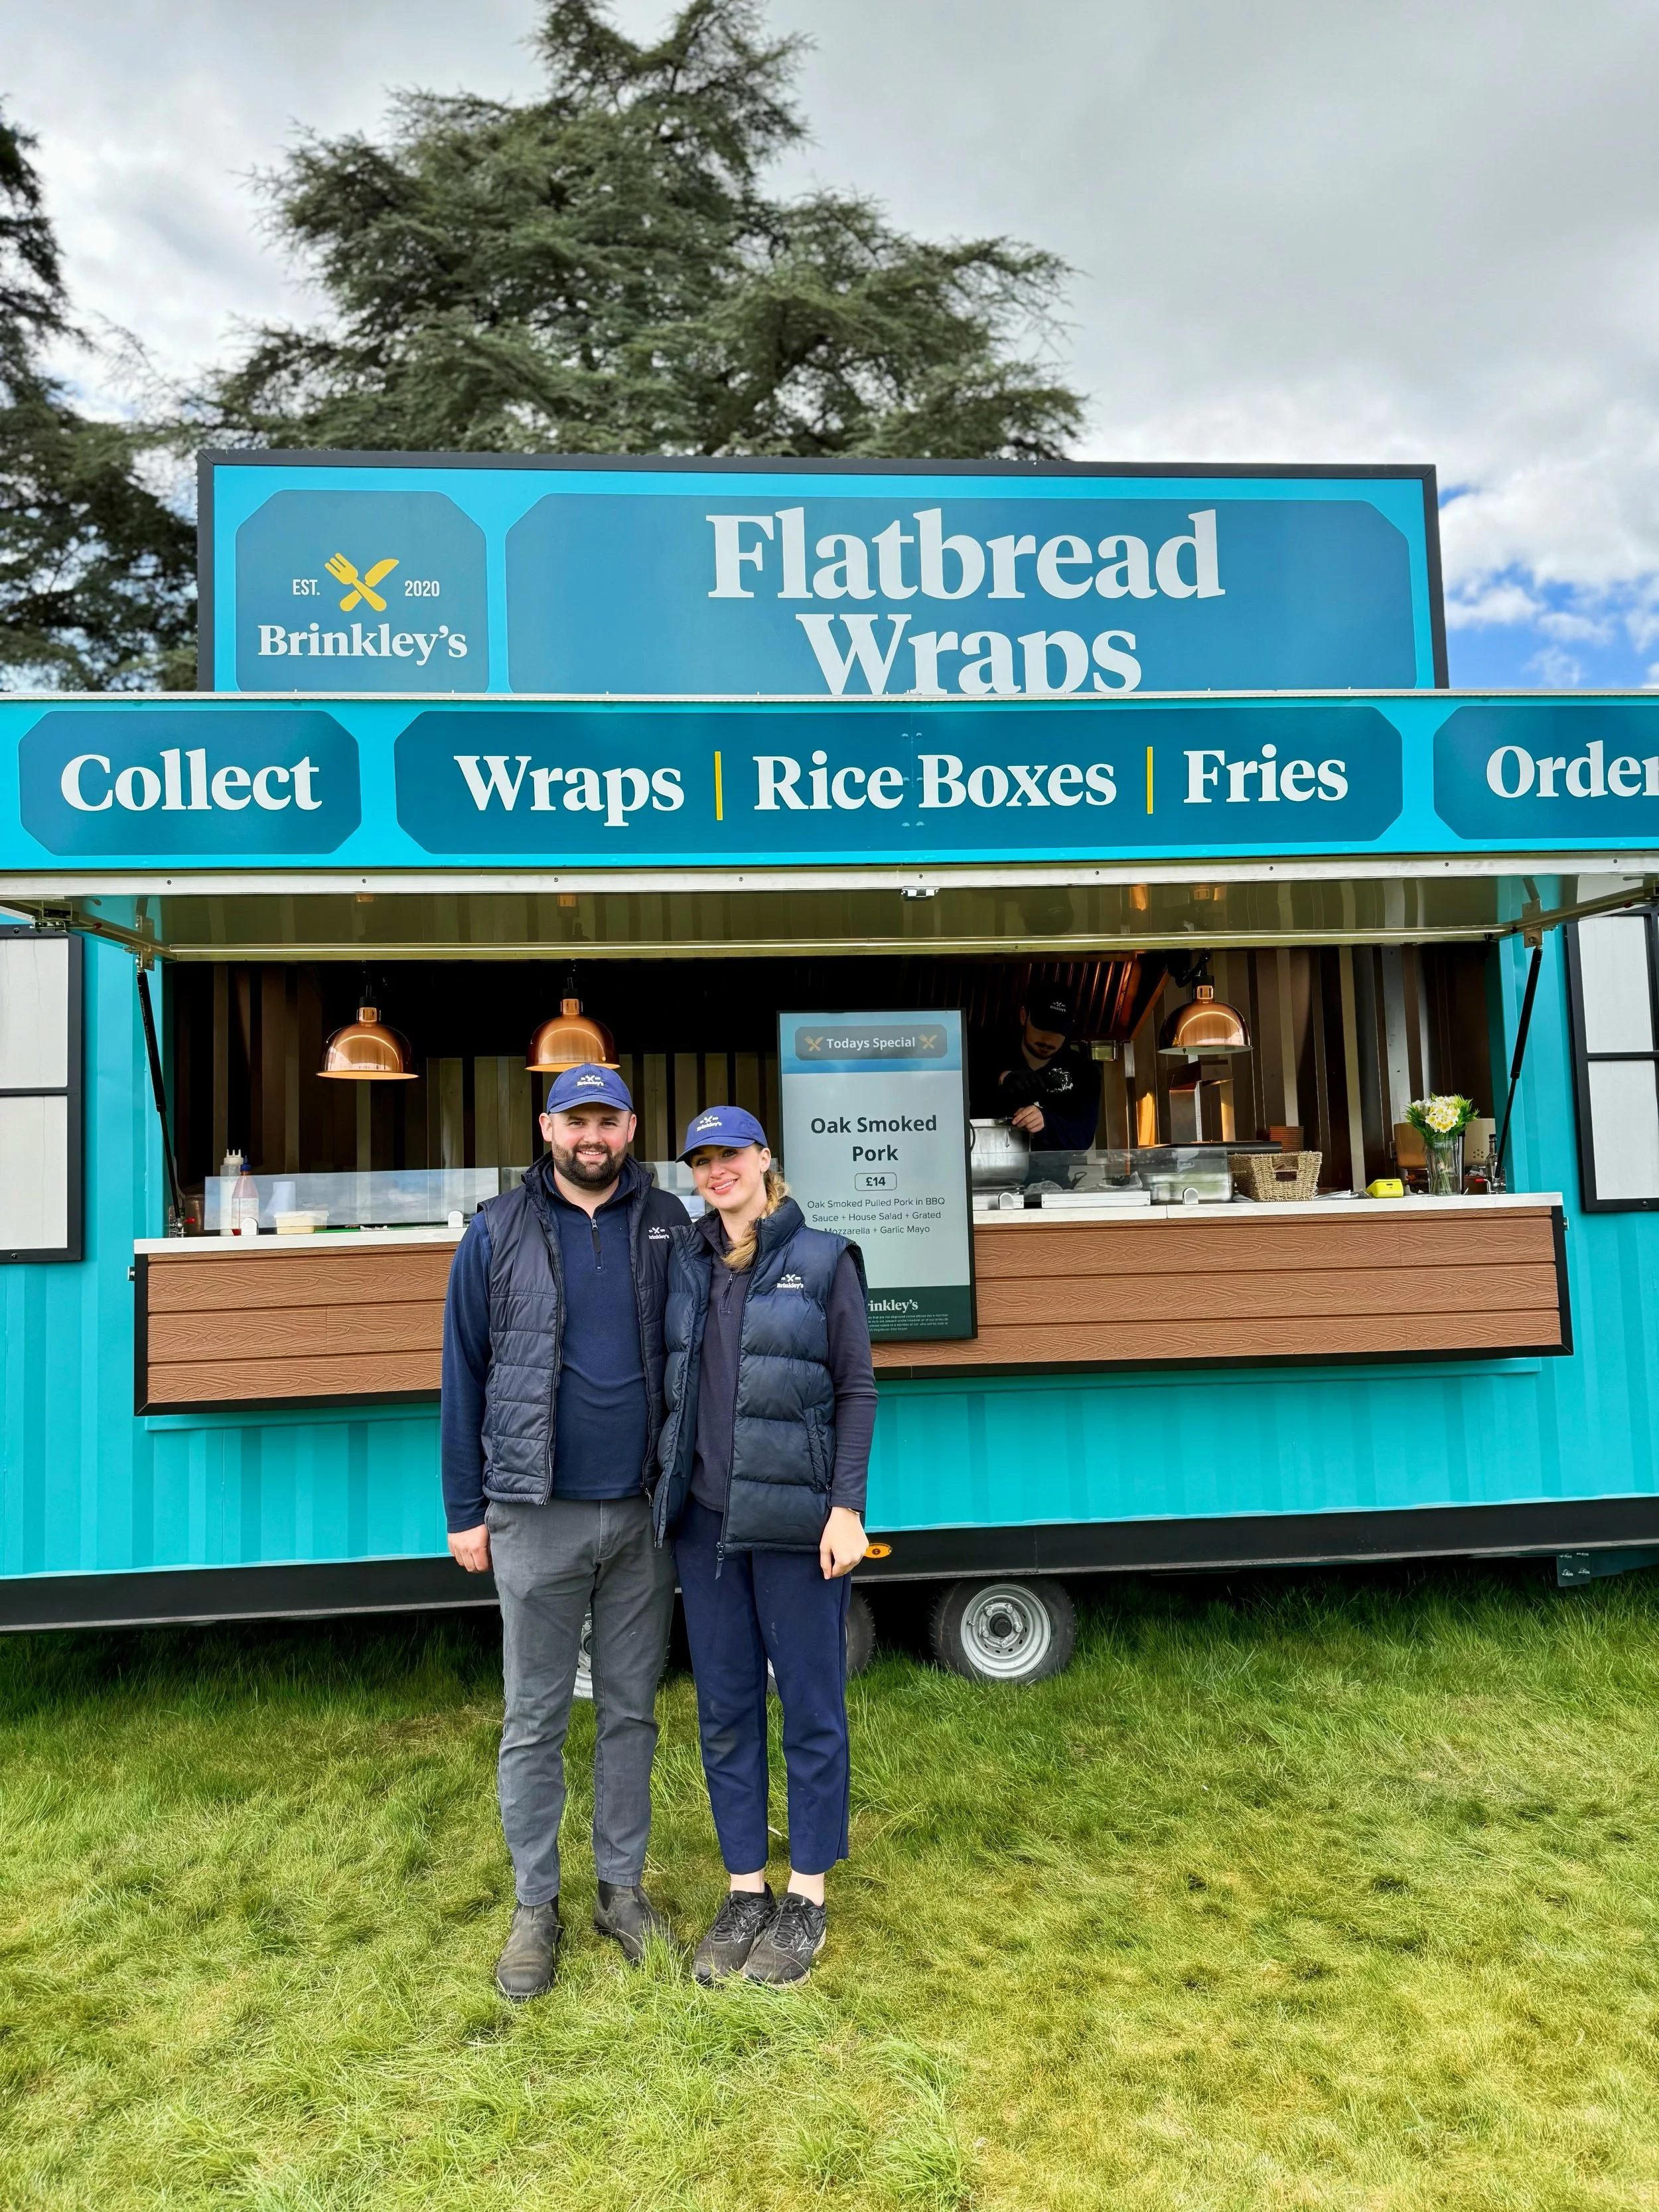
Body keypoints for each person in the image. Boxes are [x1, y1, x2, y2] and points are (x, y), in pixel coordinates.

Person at [441, 1063, 689, 2001]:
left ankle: (621, 1892)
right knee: (535, 1717)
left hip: (642, 1511)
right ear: (547, 1128)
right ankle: (534, 1906)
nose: (593, 1137)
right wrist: (465, 1510)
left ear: (630, 1129)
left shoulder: (669, 1222)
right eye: (577, 1121)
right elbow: (463, 1372)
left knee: (631, 1709)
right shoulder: (495, 1232)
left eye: (609, 1121)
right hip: (532, 1513)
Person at [653, 1106, 877, 1988]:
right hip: (707, 1527)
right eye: (701, 1159)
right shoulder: (687, 1264)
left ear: (763, 1157)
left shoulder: (823, 1259)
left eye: (730, 1154)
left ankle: (808, 1894)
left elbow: (856, 1387)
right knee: (726, 1710)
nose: (717, 1171)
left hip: (796, 1524)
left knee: (813, 1710)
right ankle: (746, 1886)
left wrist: (846, 1507)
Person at [975, 988, 1099, 1151]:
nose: (1048, 1038)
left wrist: (1046, 1122)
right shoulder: (988, 1056)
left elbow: (1083, 1137)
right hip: (991, 1169)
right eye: (1043, 1025)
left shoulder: (1083, 1070)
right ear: (1023, 1016)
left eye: (1059, 1030)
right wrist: (1000, 1079)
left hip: (1052, 1174)